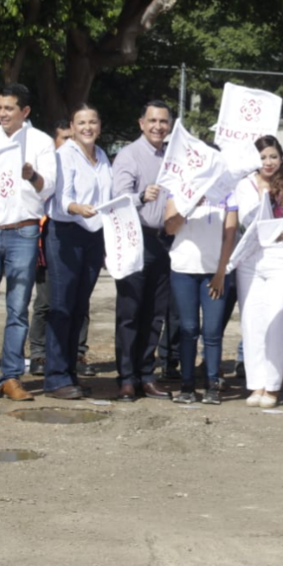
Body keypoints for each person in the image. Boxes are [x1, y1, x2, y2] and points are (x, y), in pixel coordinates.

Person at [0, 83, 57, 403]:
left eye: (9, 108)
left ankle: (11, 376)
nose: (3, 113)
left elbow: (48, 188)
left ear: (25, 112)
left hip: (24, 232)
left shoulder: (42, 142)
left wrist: (31, 175)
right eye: (0, 107)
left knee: (18, 308)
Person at [229, 136, 283, 408]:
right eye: (262, 157)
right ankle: (256, 384)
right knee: (252, 322)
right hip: (251, 258)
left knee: (277, 320)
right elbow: (247, 219)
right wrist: (262, 194)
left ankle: (272, 387)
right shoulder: (244, 185)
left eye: (273, 156)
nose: (268, 162)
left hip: (282, 258)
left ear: (281, 158)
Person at [43, 104, 111, 400]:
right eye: (81, 122)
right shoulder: (64, 155)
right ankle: (55, 378)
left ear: (99, 125)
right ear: (72, 126)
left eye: (92, 122)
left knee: (79, 307)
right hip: (66, 234)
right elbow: (62, 201)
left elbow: (108, 197)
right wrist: (77, 208)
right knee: (61, 307)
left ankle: (69, 373)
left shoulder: (103, 156)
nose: (87, 127)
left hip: (94, 235)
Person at [110, 100, 174, 402]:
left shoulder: (173, 157)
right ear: (141, 123)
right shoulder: (129, 155)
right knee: (130, 312)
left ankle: (146, 375)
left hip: (166, 241)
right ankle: (126, 378)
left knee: (155, 313)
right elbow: (118, 198)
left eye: (163, 121)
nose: (158, 126)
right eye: (153, 121)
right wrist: (140, 196)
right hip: (135, 239)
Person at [165, 184, 237, 406]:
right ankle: (187, 386)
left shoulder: (228, 192)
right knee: (188, 328)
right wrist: (188, 205)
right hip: (183, 269)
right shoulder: (176, 190)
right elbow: (169, 228)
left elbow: (230, 234)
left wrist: (221, 271)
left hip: (213, 271)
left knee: (212, 331)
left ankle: (212, 384)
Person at [30, 121, 92, 377]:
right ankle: (39, 354)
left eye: (72, 137)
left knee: (79, 302)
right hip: (49, 241)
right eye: (64, 138)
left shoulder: (82, 163)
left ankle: (77, 352)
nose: (69, 142)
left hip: (83, 236)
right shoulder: (50, 167)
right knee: (47, 302)